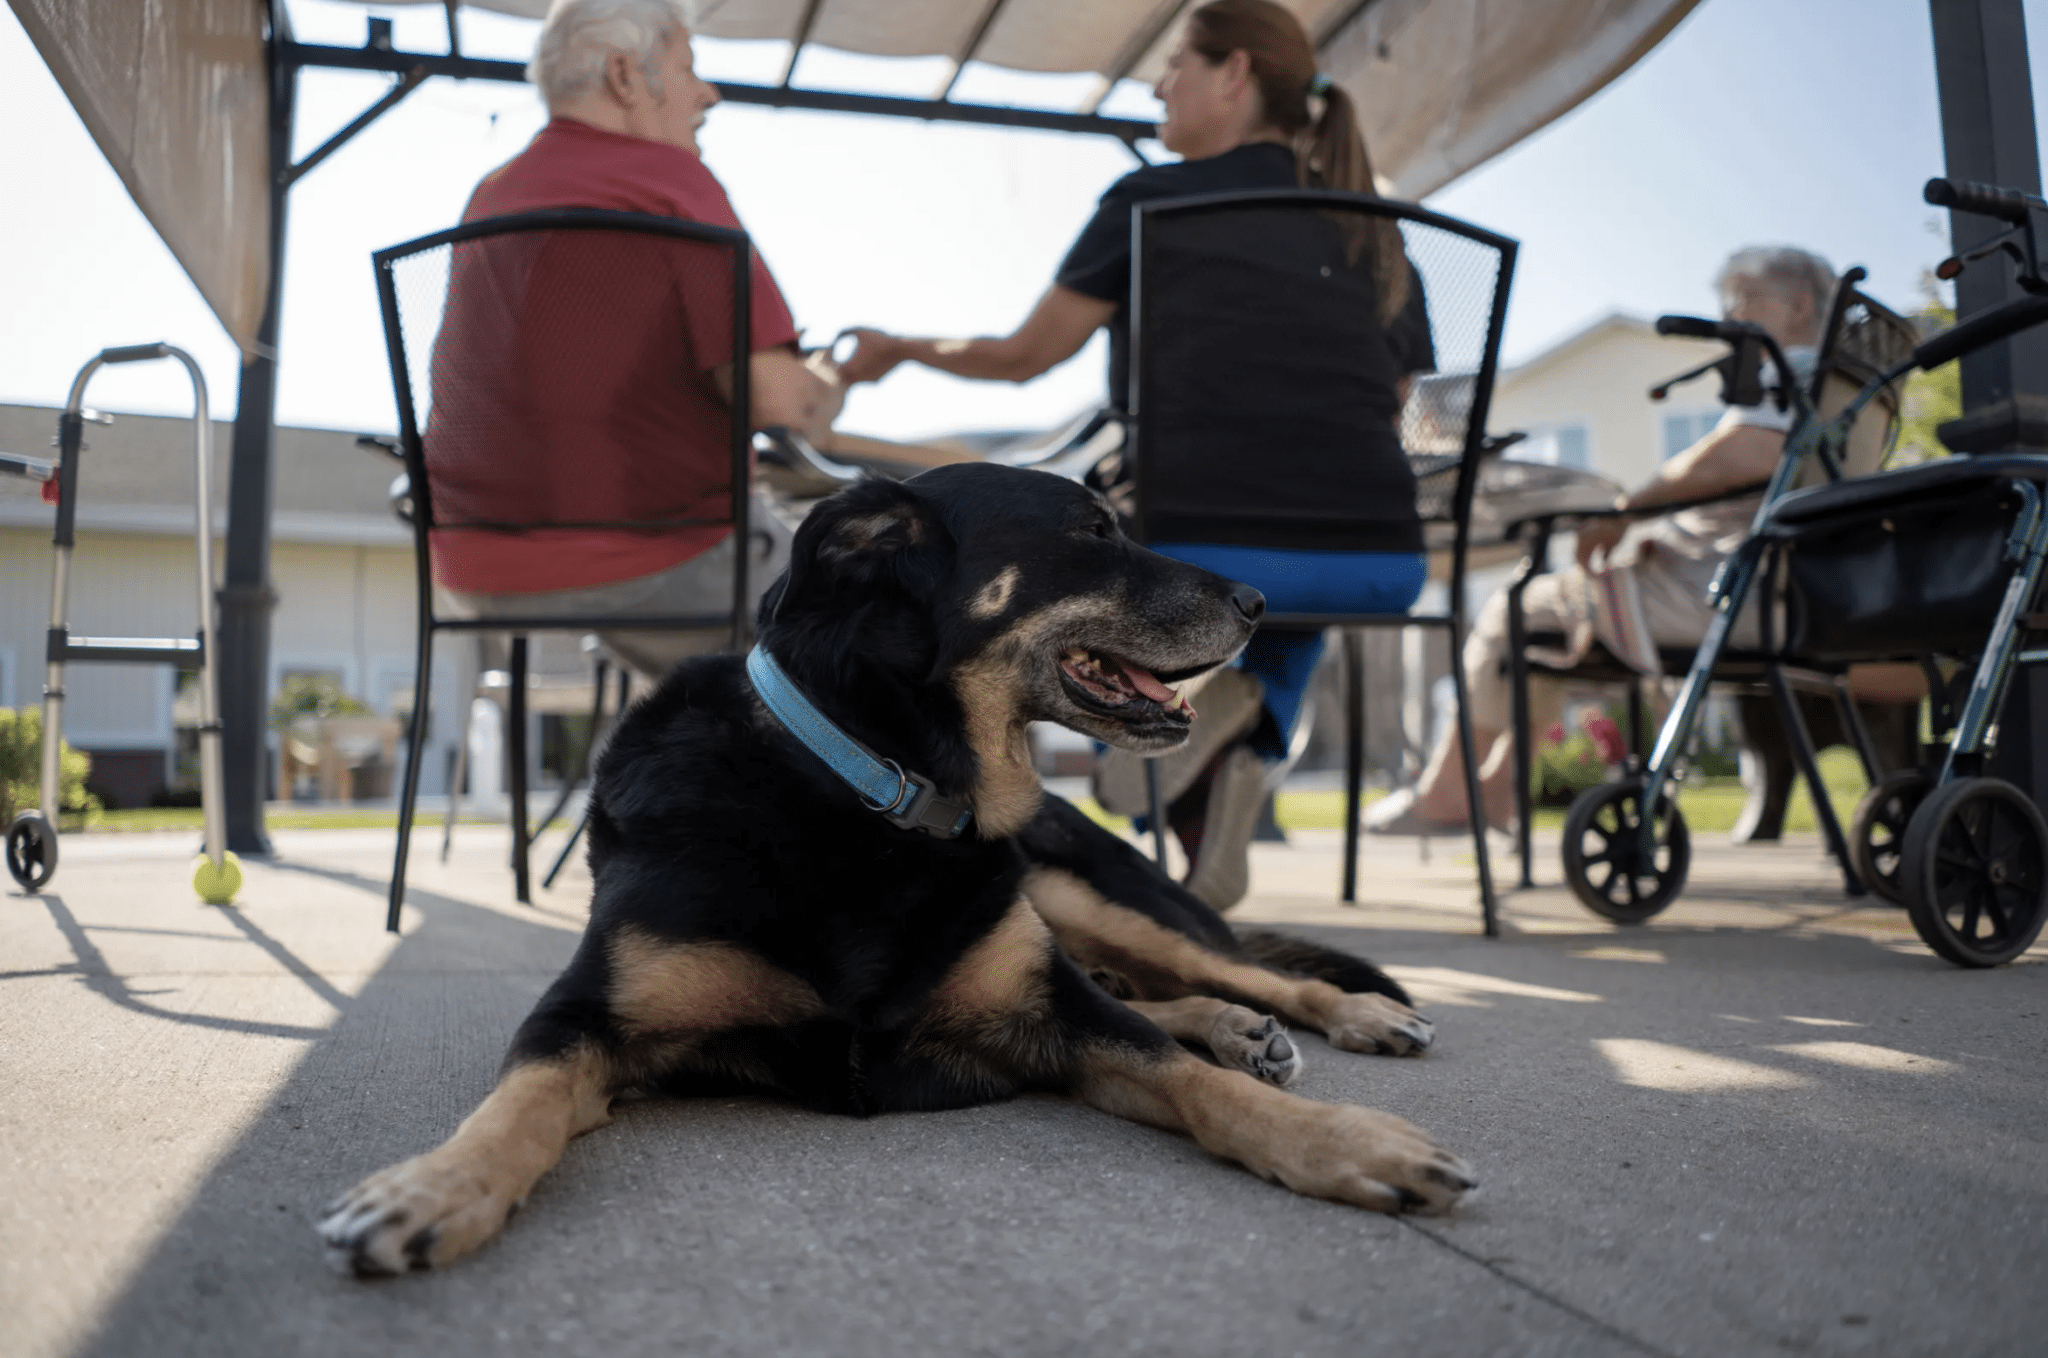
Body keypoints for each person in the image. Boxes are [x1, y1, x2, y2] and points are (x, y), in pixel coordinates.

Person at [837, 0, 1433, 911]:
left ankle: (1149, 729)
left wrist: (901, 349)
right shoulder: (1374, 228)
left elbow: (1023, 356)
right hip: (1383, 559)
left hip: (1210, 543)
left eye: (1177, 64)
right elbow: (1397, 414)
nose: (1159, 84)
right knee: (1293, 583)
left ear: (1233, 75)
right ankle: (1251, 727)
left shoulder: (1151, 202)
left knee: (1083, 554)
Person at [426, 0, 841, 681]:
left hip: (476, 563)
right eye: (688, 68)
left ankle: (688, 772)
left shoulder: (492, 195)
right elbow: (780, 403)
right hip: (649, 562)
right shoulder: (664, 183)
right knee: (878, 626)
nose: (709, 92)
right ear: (626, 76)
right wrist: (831, 381)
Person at [1366, 245, 1836, 835]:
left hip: (1721, 591)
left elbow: (1752, 450)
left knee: (1515, 612)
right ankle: (1494, 789)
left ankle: (1446, 797)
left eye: (1745, 301)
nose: (1731, 319)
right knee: (1539, 637)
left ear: (1799, 305)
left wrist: (1625, 511)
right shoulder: (1841, 385)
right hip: (1778, 586)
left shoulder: (1788, 372)